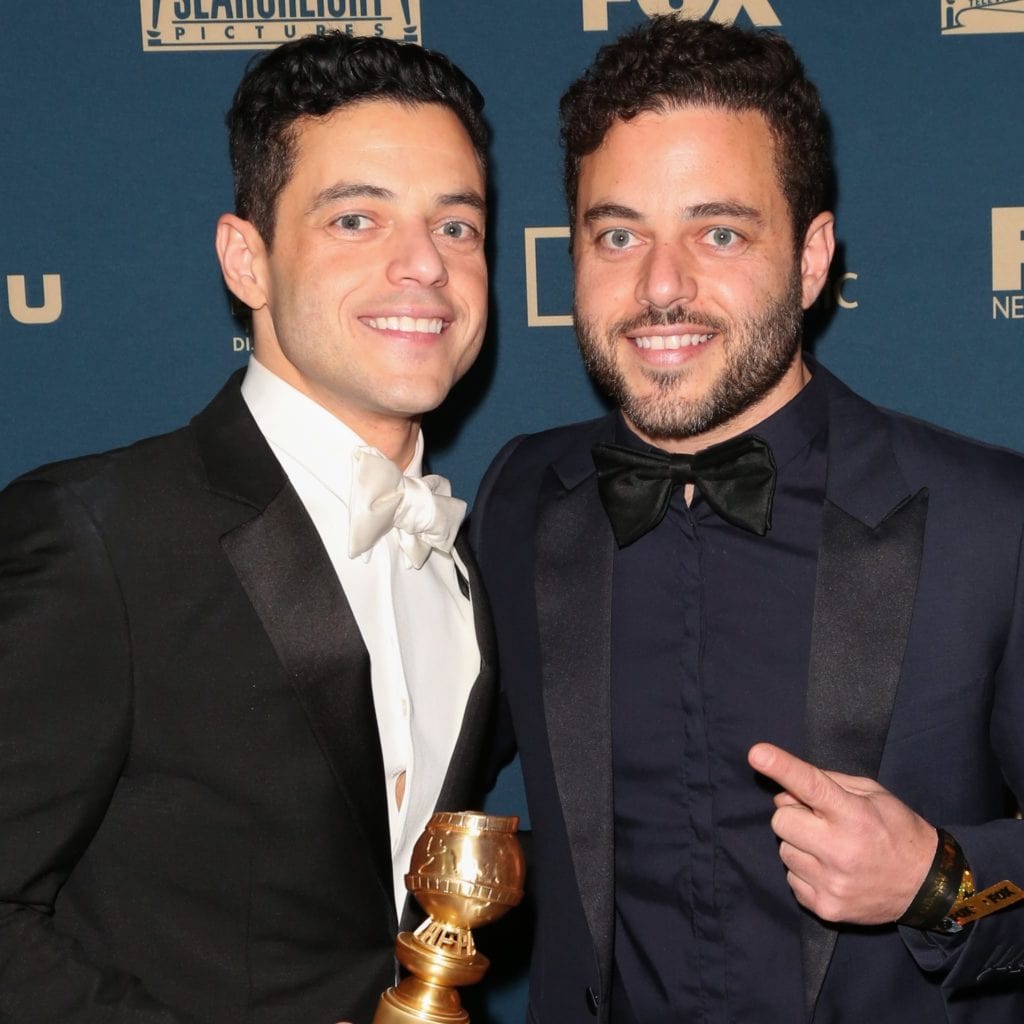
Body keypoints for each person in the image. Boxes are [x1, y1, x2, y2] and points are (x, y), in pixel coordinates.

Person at [471, 15, 1024, 1023]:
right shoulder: (520, 498)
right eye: (618, 233)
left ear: (811, 261)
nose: (661, 286)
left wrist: (943, 881)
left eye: (718, 231)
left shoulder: (993, 523)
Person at [0, 31, 495, 1024]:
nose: (422, 267)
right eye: (356, 218)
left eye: (457, 227)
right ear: (247, 259)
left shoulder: (471, 557)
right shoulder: (100, 536)